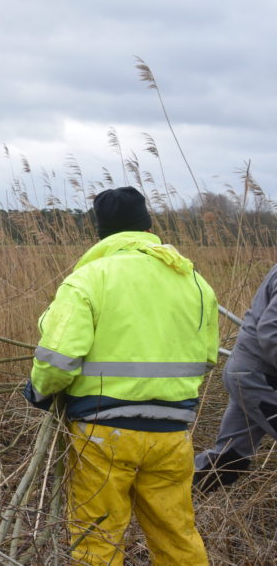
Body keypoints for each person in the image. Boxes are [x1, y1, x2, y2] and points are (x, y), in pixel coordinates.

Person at [23, 186, 218, 565]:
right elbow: (207, 358)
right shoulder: (193, 281)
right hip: (173, 434)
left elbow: (58, 358)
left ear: (101, 231)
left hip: (102, 435)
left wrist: (39, 391)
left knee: (97, 539)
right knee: (177, 537)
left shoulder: (89, 279)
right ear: (148, 225)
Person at [194, 263, 277, 492]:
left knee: (228, 461)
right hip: (257, 377)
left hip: (252, 374)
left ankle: (165, 502)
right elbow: (271, 332)